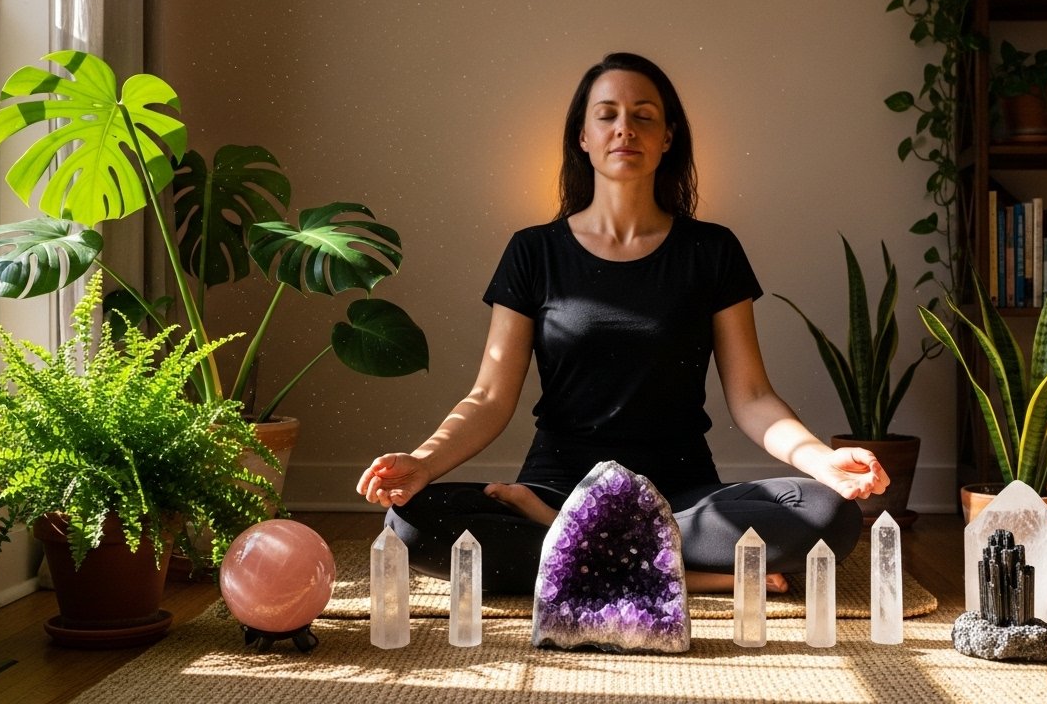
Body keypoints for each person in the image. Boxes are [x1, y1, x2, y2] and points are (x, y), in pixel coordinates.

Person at [356, 52, 888, 594]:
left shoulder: (712, 251)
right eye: (607, 114)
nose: (624, 129)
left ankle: (569, 546)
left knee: (830, 513)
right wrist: (422, 463)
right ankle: (694, 576)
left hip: (680, 495)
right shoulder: (533, 252)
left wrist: (823, 461)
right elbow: (490, 397)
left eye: (644, 115)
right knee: (409, 524)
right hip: (559, 486)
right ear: (583, 136)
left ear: (667, 137)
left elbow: (751, 397)